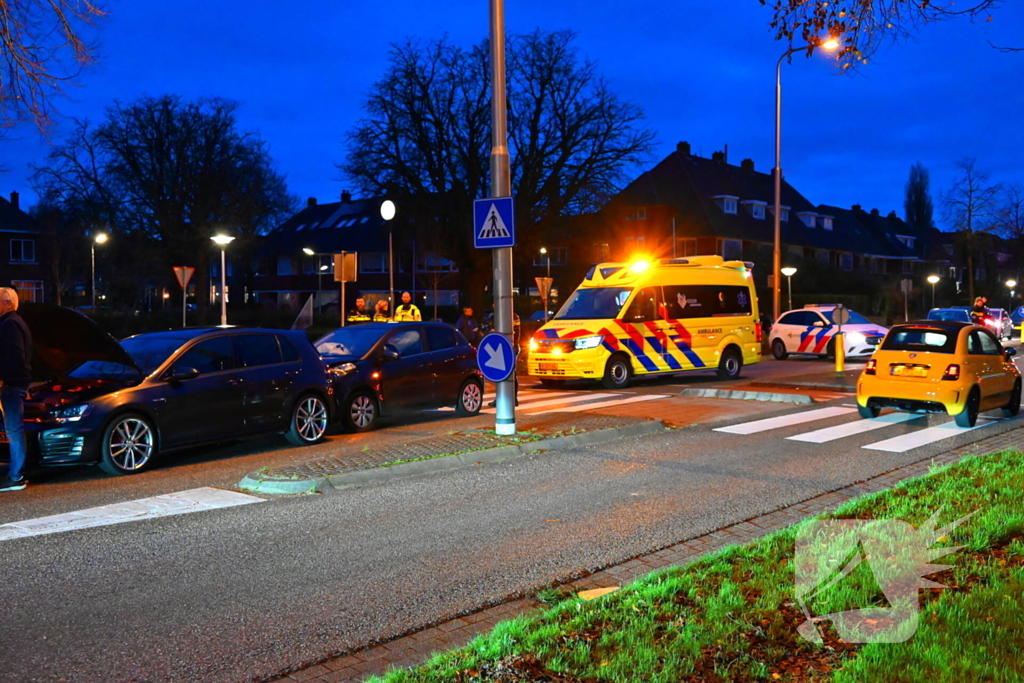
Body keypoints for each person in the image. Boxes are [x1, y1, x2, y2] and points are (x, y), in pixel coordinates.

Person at [0, 287, 32, 492]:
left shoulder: (10, 324)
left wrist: (3, 378)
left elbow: (15, 356)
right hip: (14, 383)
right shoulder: (12, 322)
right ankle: (15, 472)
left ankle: (16, 476)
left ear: (7, 302)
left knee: (13, 430)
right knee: (12, 430)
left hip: (11, 384)